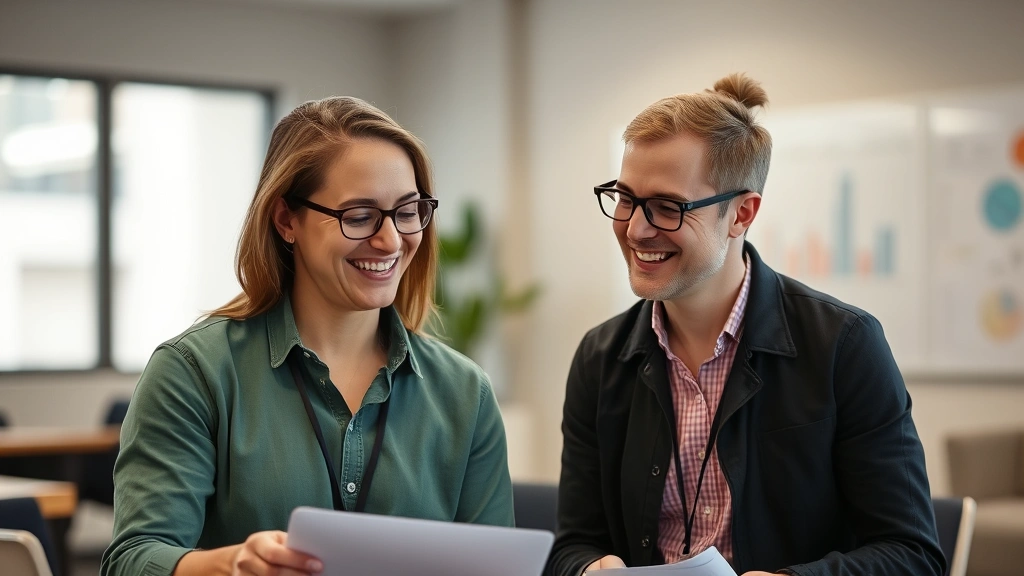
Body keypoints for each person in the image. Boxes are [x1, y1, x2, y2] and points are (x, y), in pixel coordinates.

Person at [546, 74, 945, 576]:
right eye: (625, 199)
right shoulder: (599, 357)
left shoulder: (844, 345)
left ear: (741, 214)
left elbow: (912, 555)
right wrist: (588, 569)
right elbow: (573, 544)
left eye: (668, 208)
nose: (635, 229)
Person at [101, 96, 514, 576]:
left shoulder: (465, 393)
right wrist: (231, 566)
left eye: (407, 211)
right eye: (358, 216)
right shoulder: (194, 373)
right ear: (286, 220)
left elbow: (499, 566)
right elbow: (133, 559)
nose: (390, 240)